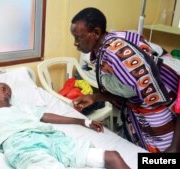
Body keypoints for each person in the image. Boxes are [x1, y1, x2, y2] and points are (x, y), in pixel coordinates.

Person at [70, 7, 180, 153]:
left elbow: (142, 93)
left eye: (78, 37)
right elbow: (129, 92)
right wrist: (95, 97)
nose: (75, 43)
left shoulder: (116, 53)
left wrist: (174, 148)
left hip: (161, 110)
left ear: (96, 32)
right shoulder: (105, 48)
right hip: (146, 109)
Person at [0, 82, 130, 169]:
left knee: (112, 156)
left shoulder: (22, 108)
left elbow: (47, 117)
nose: (8, 91)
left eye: (9, 89)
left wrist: (83, 121)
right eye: (3, 88)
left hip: (52, 138)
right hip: (22, 146)